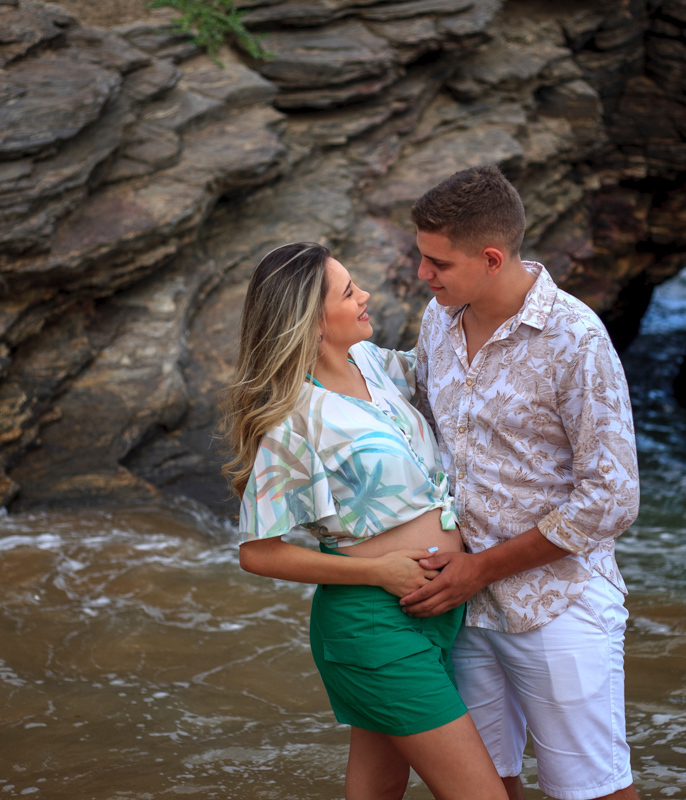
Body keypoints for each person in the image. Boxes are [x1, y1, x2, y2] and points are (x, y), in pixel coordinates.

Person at [222, 242, 510, 800]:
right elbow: (258, 552)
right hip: (374, 623)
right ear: (310, 318)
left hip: (436, 611)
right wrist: (378, 573)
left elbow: (456, 368)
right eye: (349, 291)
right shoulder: (293, 419)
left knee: (378, 789)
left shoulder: (374, 363)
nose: (365, 296)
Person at [400, 165, 642, 800]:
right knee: (483, 786)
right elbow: (421, 427)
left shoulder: (576, 338)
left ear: (490, 257)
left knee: (593, 791)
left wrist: (482, 570)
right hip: (464, 608)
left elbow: (611, 499)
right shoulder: (438, 319)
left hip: (557, 605)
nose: (423, 275)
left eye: (437, 263)